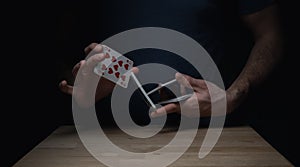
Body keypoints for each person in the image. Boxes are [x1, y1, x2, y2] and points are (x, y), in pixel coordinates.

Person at [59, 0, 283, 126]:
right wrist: (81, 83)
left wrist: (233, 96)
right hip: (107, 137)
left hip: (214, 135)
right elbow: (53, 47)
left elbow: (273, 34)